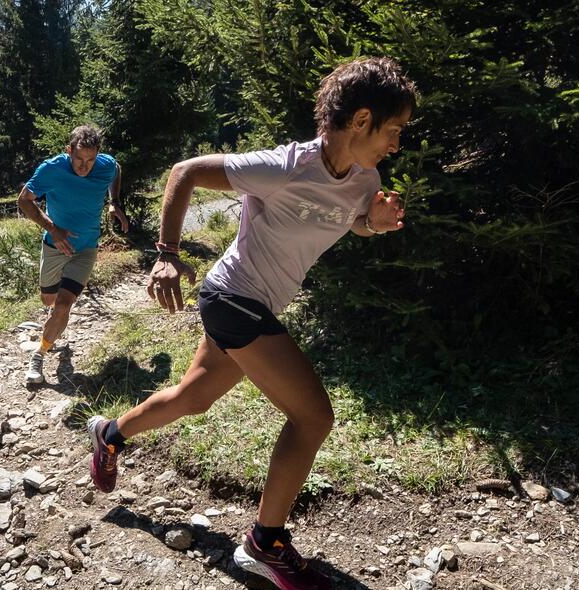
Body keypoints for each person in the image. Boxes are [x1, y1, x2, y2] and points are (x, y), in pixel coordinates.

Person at [82, 57, 417, 590]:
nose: (396, 144)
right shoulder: (284, 166)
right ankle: (265, 543)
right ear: (360, 120)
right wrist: (166, 253)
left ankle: (111, 433)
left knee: (193, 396)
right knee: (313, 417)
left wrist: (371, 224)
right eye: (393, 130)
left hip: (251, 304)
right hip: (234, 297)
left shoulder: (366, 179)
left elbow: (348, 218)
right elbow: (185, 172)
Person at [17, 125, 130, 386]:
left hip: (86, 248)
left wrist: (114, 202)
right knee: (48, 300)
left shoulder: (106, 165)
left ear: (97, 155)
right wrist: (54, 230)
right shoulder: (52, 169)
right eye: (78, 159)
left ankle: (39, 354)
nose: (84, 166)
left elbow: (117, 170)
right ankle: (55, 326)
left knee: (64, 305)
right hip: (55, 245)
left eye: (90, 160)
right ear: (69, 151)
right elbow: (24, 200)